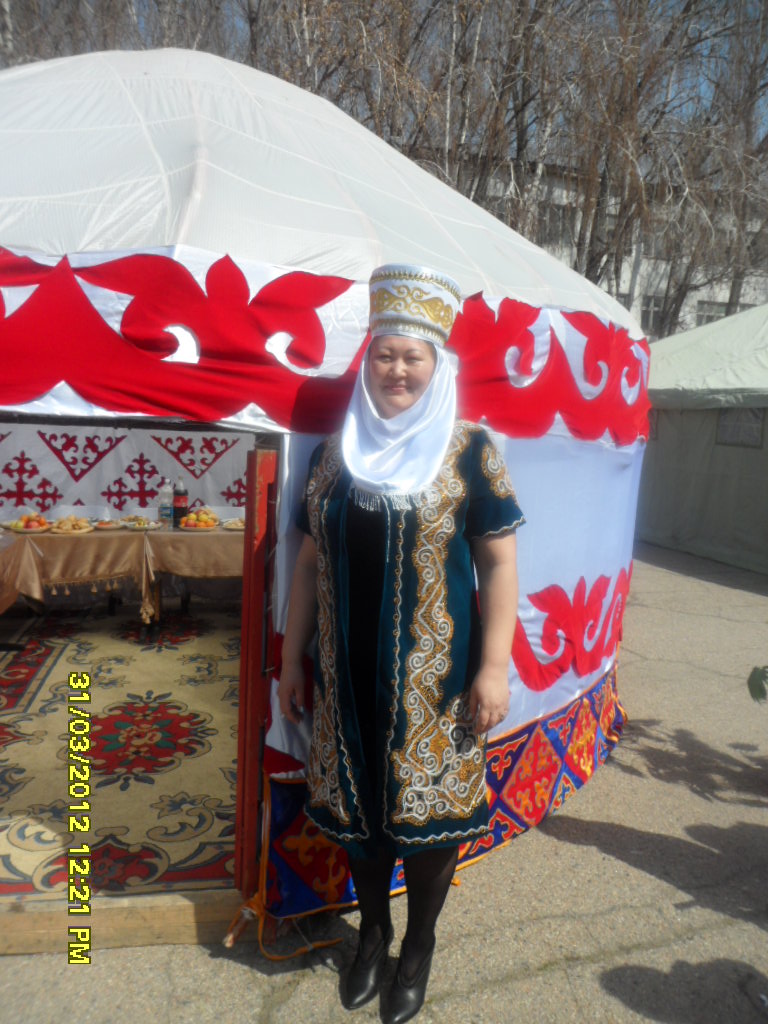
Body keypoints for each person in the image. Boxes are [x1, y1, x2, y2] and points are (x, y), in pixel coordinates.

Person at [278, 264, 524, 1023]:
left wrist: (494, 667)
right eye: (384, 354)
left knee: (428, 821)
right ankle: (373, 935)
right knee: (360, 816)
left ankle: (417, 946)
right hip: (345, 677)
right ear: (369, 361)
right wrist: (290, 658)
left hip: (436, 682)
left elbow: (498, 562)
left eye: (412, 356)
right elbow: (309, 563)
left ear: (435, 364)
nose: (397, 370)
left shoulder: (469, 450)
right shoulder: (334, 454)